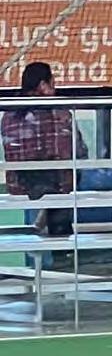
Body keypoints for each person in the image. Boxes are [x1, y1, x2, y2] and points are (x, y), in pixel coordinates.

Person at [2, 63, 75, 240]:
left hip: (18, 184)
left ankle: (42, 227)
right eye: (53, 84)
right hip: (57, 183)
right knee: (87, 177)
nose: (55, 90)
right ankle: (62, 244)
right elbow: (74, 151)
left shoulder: (8, 114)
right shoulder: (57, 112)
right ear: (43, 85)